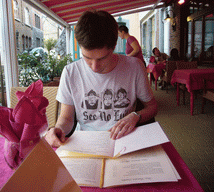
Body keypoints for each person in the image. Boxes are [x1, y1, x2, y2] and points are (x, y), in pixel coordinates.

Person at [44, 10, 158, 148]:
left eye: (102, 58)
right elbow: (66, 118)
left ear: (114, 46)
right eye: (87, 58)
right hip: (85, 143)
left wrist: (136, 116)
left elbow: (152, 107)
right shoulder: (70, 72)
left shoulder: (134, 67)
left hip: (124, 141)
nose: (95, 67)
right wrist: (58, 130)